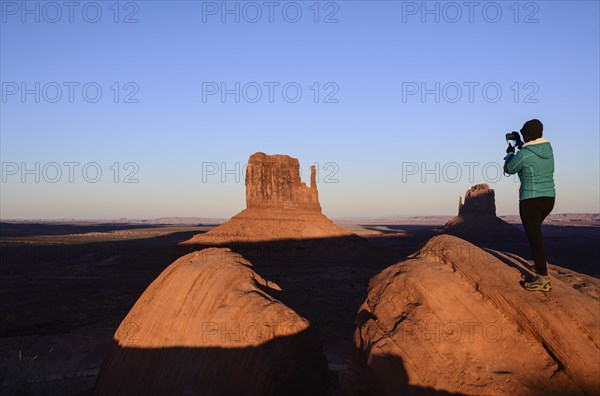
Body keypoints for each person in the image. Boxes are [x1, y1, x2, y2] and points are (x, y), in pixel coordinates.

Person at [504, 119, 556, 292]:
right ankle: (542, 264)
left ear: (528, 135)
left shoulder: (523, 154)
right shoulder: (548, 150)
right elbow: (530, 153)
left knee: (535, 239)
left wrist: (511, 152)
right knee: (536, 235)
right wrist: (520, 144)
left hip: (530, 201)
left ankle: (543, 279)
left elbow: (509, 168)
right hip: (549, 199)